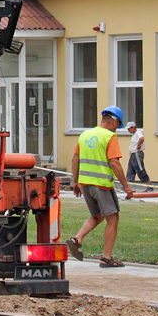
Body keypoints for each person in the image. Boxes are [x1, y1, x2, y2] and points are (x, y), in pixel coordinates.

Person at [66, 105, 133, 268]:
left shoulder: (85, 135)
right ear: (114, 122)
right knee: (113, 218)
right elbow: (114, 162)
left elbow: (75, 159)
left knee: (97, 215)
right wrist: (126, 186)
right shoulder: (109, 137)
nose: (117, 129)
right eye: (118, 126)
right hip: (102, 185)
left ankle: (77, 239)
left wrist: (76, 182)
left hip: (85, 184)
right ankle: (106, 258)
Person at [125, 122, 153, 192]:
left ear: (133, 127)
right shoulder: (134, 135)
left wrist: (138, 146)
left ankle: (149, 186)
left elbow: (142, 138)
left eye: (129, 129)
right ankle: (125, 187)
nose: (128, 131)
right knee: (130, 170)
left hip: (137, 153)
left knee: (140, 169)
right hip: (133, 154)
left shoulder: (138, 132)